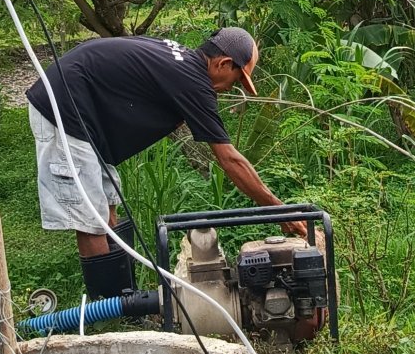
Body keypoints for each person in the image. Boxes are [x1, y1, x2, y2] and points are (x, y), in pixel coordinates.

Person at [26, 26, 303, 298]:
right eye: (236, 79)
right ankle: (109, 313)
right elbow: (229, 159)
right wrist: (280, 211)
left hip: (85, 110)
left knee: (107, 208)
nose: (232, 87)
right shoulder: (193, 80)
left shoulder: (184, 61)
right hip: (62, 107)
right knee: (92, 220)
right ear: (224, 63)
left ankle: (125, 300)